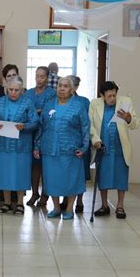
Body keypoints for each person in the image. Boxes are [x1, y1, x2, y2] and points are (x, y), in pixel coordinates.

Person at [34, 77, 90, 220]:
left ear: (72, 90)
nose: (62, 88)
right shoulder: (49, 105)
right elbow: (41, 127)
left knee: (71, 180)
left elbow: (85, 127)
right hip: (50, 149)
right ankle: (56, 207)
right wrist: (37, 145)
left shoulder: (78, 106)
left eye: (66, 86)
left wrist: (84, 147)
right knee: (51, 179)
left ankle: (70, 208)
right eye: (60, 85)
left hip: (71, 150)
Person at [90, 81, 140, 219]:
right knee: (103, 176)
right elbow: (90, 125)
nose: (112, 98)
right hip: (102, 146)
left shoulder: (126, 102)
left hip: (120, 146)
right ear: (102, 95)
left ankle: (120, 206)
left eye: (114, 95)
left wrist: (129, 118)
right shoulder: (95, 104)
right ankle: (104, 205)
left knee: (121, 177)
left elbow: (136, 124)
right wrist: (95, 140)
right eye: (109, 96)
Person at [0, 76, 39, 216]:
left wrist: (24, 126)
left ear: (22, 90)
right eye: (10, 89)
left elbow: (35, 122)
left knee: (20, 174)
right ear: (7, 88)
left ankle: (19, 203)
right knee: (4, 174)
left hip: (21, 146)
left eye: (16, 90)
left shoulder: (28, 102)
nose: (13, 92)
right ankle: (6, 203)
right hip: (2, 144)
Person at [24, 66, 56, 207]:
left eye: (42, 76)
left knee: (45, 165)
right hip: (30, 132)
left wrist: (36, 112)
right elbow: (24, 109)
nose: (39, 79)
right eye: (37, 76)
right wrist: (33, 113)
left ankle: (45, 195)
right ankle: (35, 193)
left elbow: (51, 111)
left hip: (45, 132)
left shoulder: (52, 93)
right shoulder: (29, 93)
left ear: (47, 78)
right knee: (33, 165)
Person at [59, 75, 91, 213]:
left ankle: (79, 201)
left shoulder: (83, 101)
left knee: (79, 174)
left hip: (79, 143)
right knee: (65, 174)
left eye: (69, 85)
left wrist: (85, 144)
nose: (63, 88)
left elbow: (86, 123)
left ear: (75, 87)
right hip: (64, 144)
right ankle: (65, 199)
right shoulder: (59, 100)